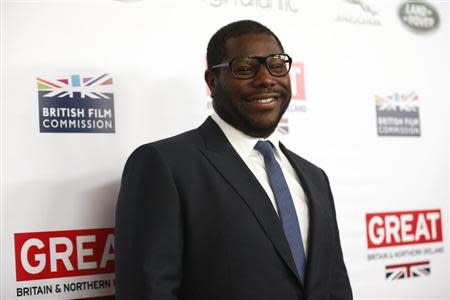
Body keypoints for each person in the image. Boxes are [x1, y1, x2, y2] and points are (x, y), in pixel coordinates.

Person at [115, 20, 352, 300]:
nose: (266, 79)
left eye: (276, 65)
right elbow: (148, 291)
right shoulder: (164, 165)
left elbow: (334, 284)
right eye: (245, 68)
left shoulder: (314, 177)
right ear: (212, 82)